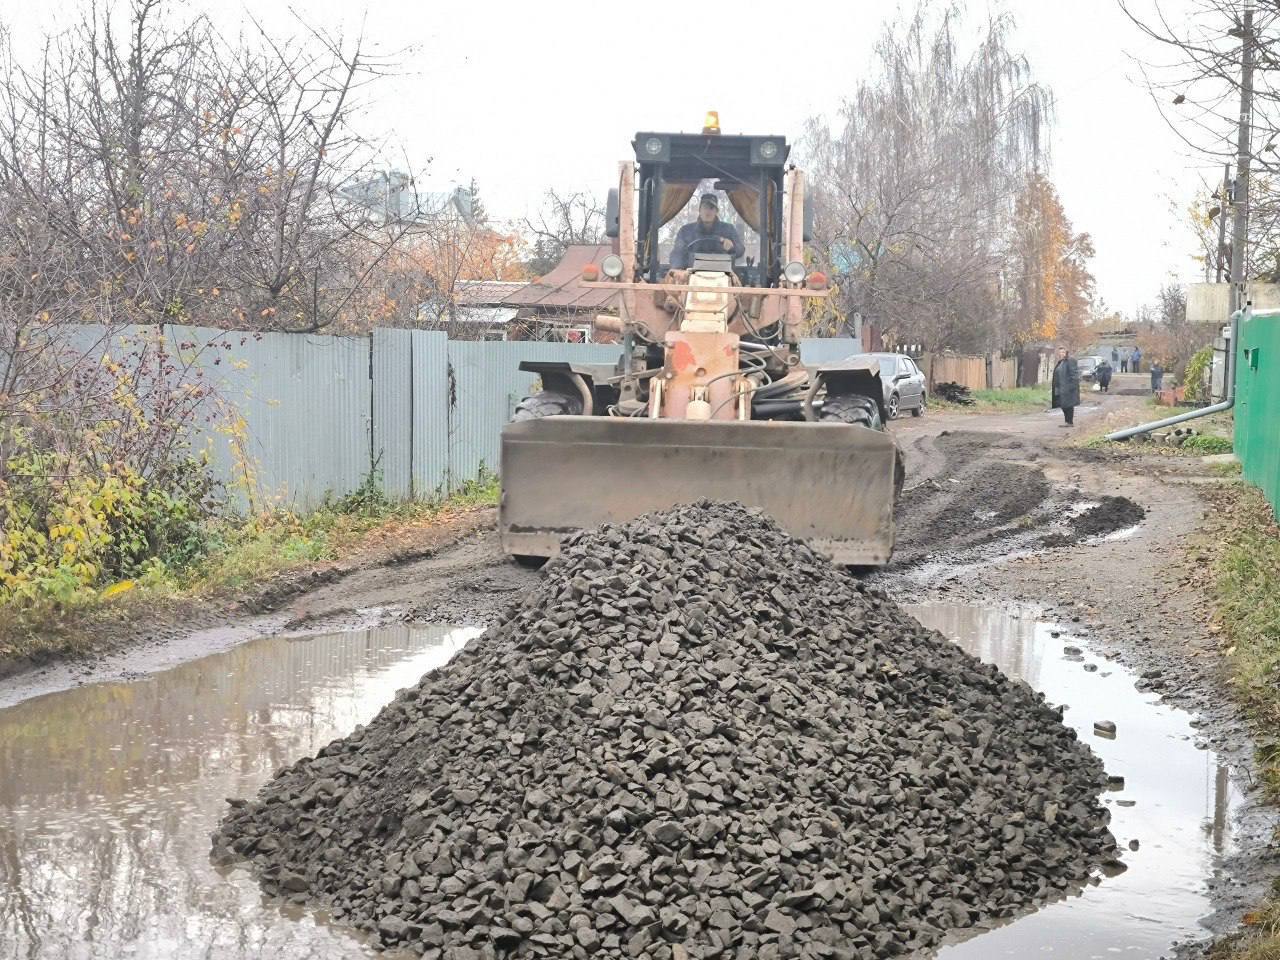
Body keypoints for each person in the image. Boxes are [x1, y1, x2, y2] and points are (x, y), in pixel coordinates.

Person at [669, 194, 745, 269]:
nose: (708, 211)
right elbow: (677, 254)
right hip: (691, 273)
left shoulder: (728, 229)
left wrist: (732, 247)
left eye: (711, 208)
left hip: (722, 273)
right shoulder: (686, 231)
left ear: (716, 211)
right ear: (699, 210)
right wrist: (677, 268)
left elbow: (740, 249)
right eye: (705, 207)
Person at [1051, 346, 1080, 427]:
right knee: (1062, 404)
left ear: (1067, 352)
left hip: (1068, 387)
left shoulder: (1070, 360)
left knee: (1068, 404)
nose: (1061, 354)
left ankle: (1069, 422)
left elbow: (1074, 375)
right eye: (1060, 352)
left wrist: (1071, 387)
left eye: (1063, 352)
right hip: (1060, 387)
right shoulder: (1061, 362)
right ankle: (1067, 421)